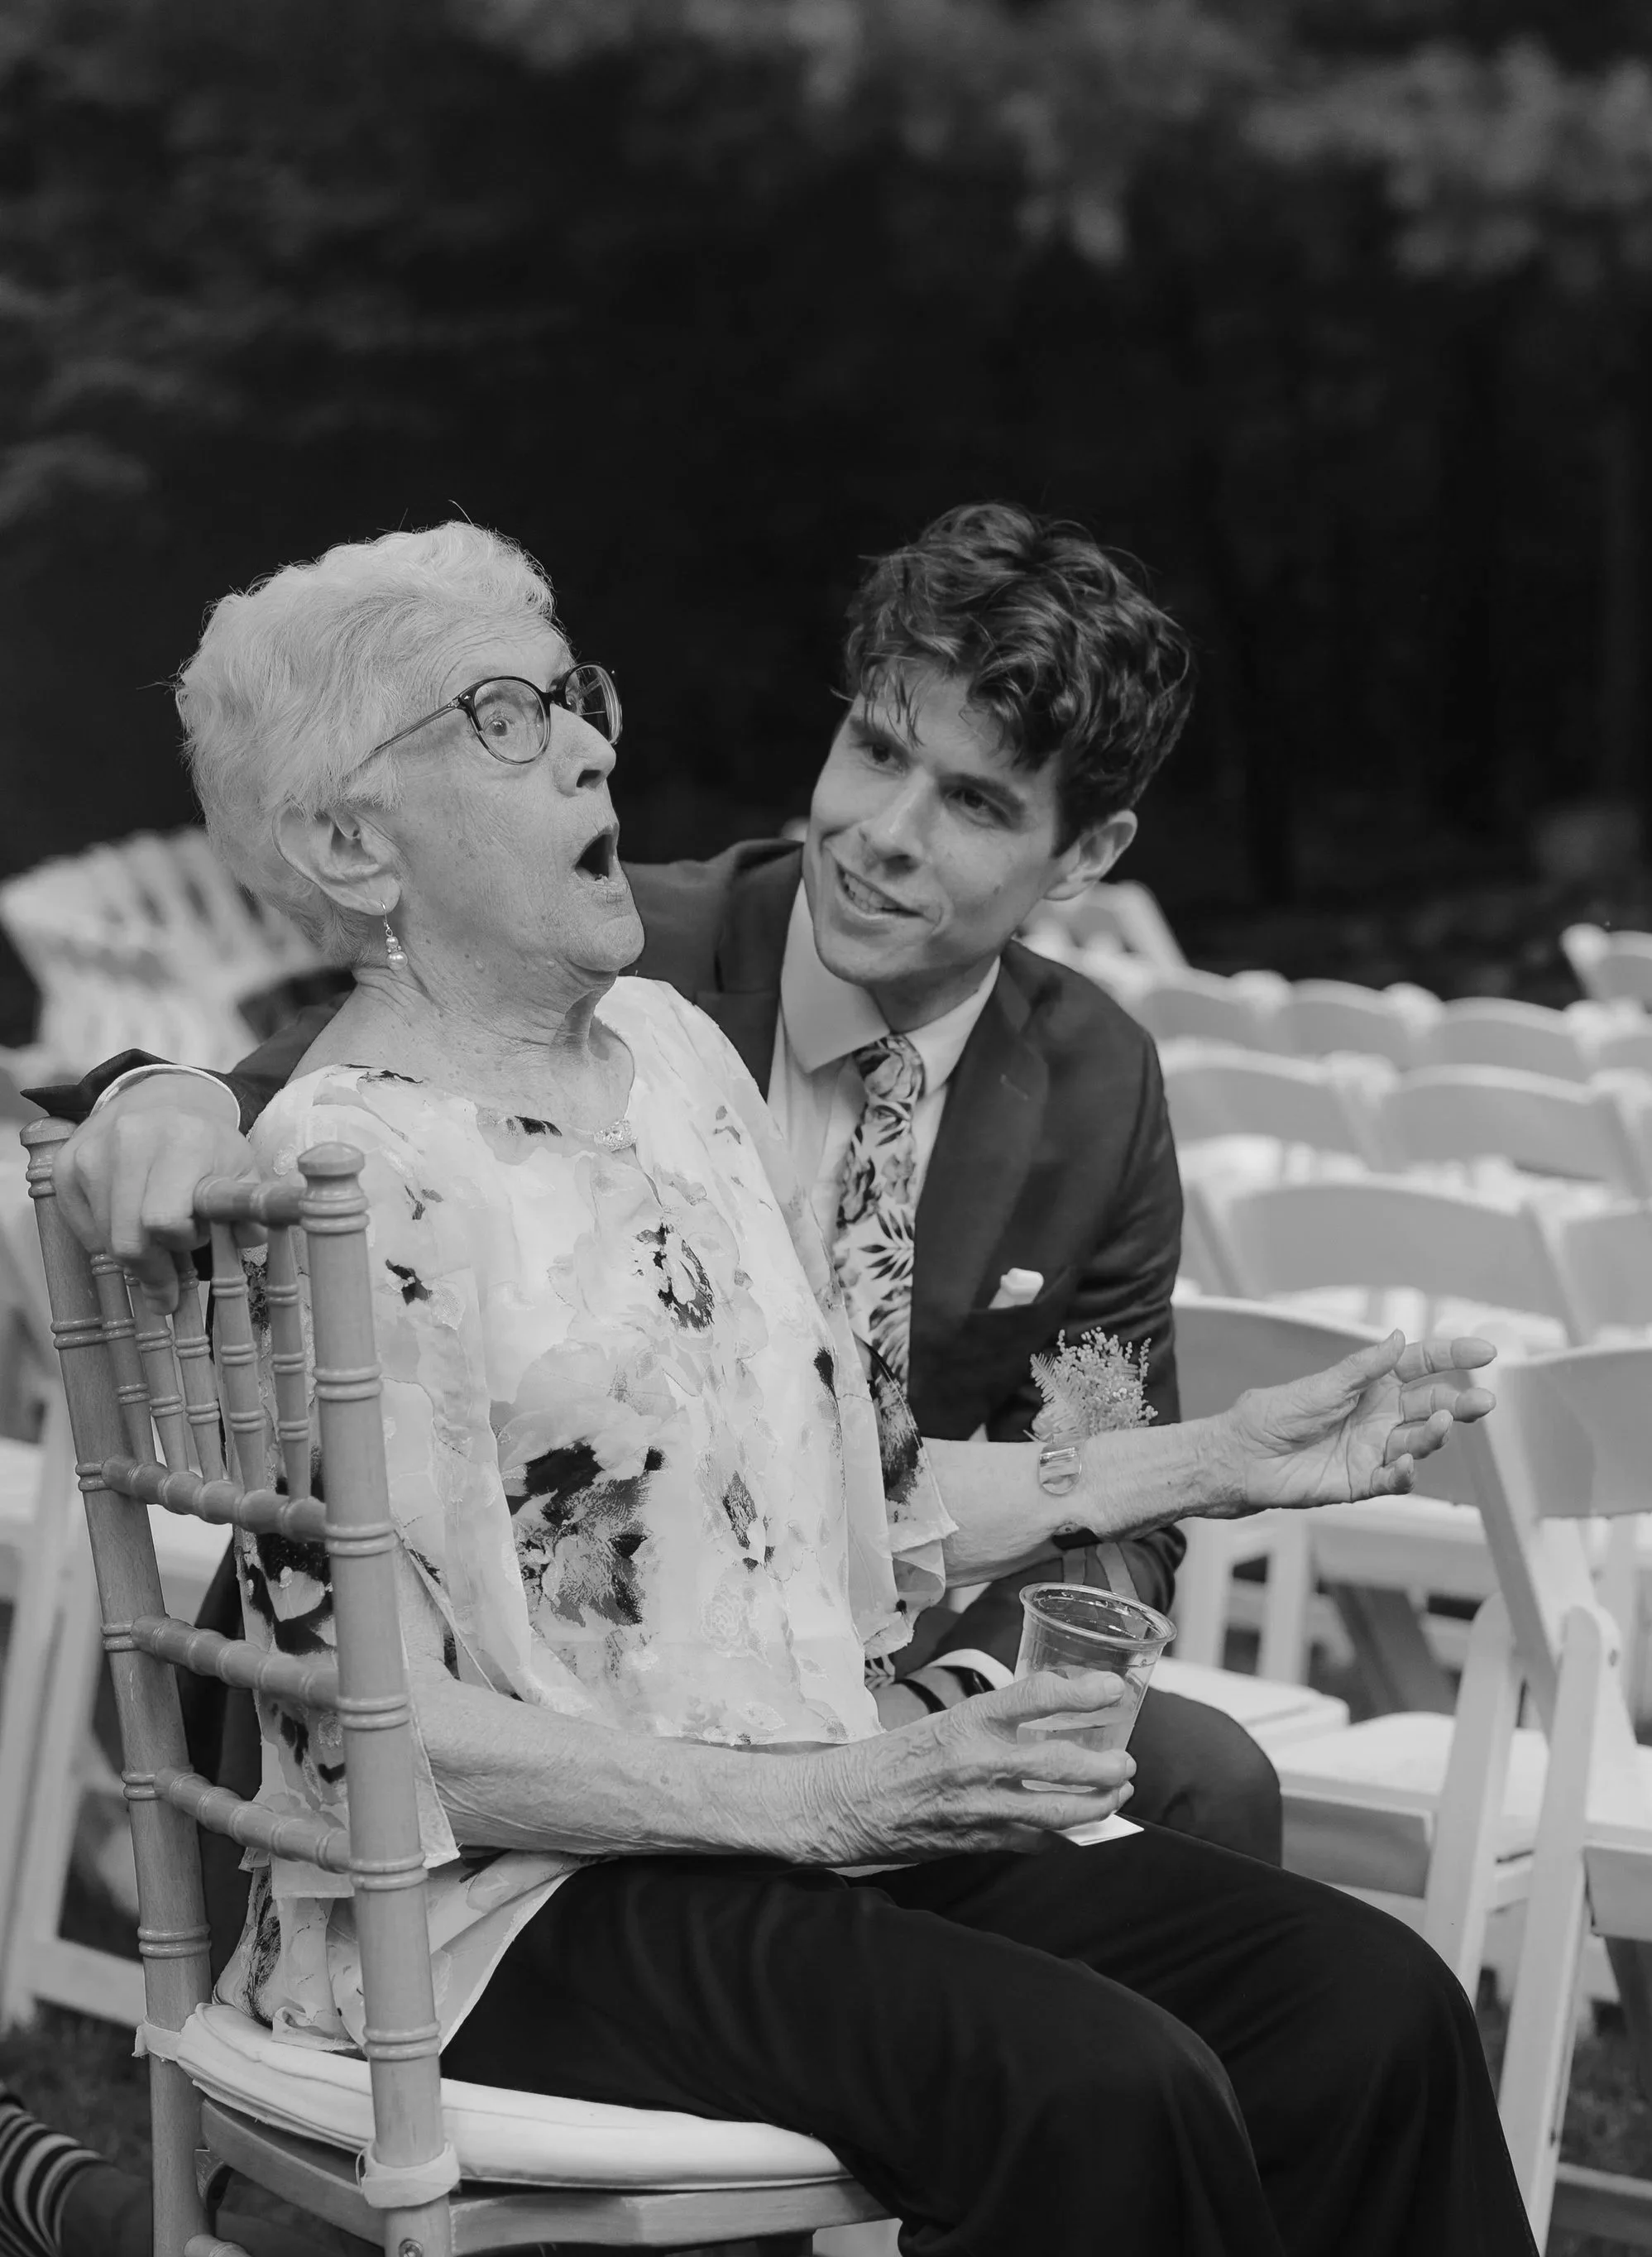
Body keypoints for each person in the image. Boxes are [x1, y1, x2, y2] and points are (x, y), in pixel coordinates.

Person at [2, 522, 1601, 2257]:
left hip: (770, 1802)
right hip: (526, 1897)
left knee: (1355, 1998)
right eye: (509, 717)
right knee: (1085, 2077)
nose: (591, 742)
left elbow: (831, 1501)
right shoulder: (353, 1177)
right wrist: (831, 1810)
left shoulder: (667, 1056)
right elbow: (393, 1741)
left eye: (576, 689)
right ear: (350, 840)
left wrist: (1203, 1458)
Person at [44, 500, 1278, 1867]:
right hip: (534, 1701)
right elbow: (323, 1088)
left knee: (1213, 1788)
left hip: (896, 1649)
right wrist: (164, 1093)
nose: (885, 833)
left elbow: (1107, 1477)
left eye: (977, 804)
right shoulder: (621, 947)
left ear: (1088, 856)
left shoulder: (1100, 1086)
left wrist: (948, 1700)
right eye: (876, 751)